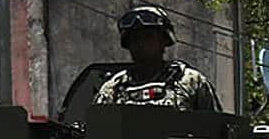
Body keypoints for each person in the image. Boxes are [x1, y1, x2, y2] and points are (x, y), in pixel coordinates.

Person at [92, 6, 223, 111]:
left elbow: (217, 130)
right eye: (135, 39)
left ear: (163, 41)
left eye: (148, 37)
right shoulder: (113, 89)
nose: (141, 44)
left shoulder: (190, 82)